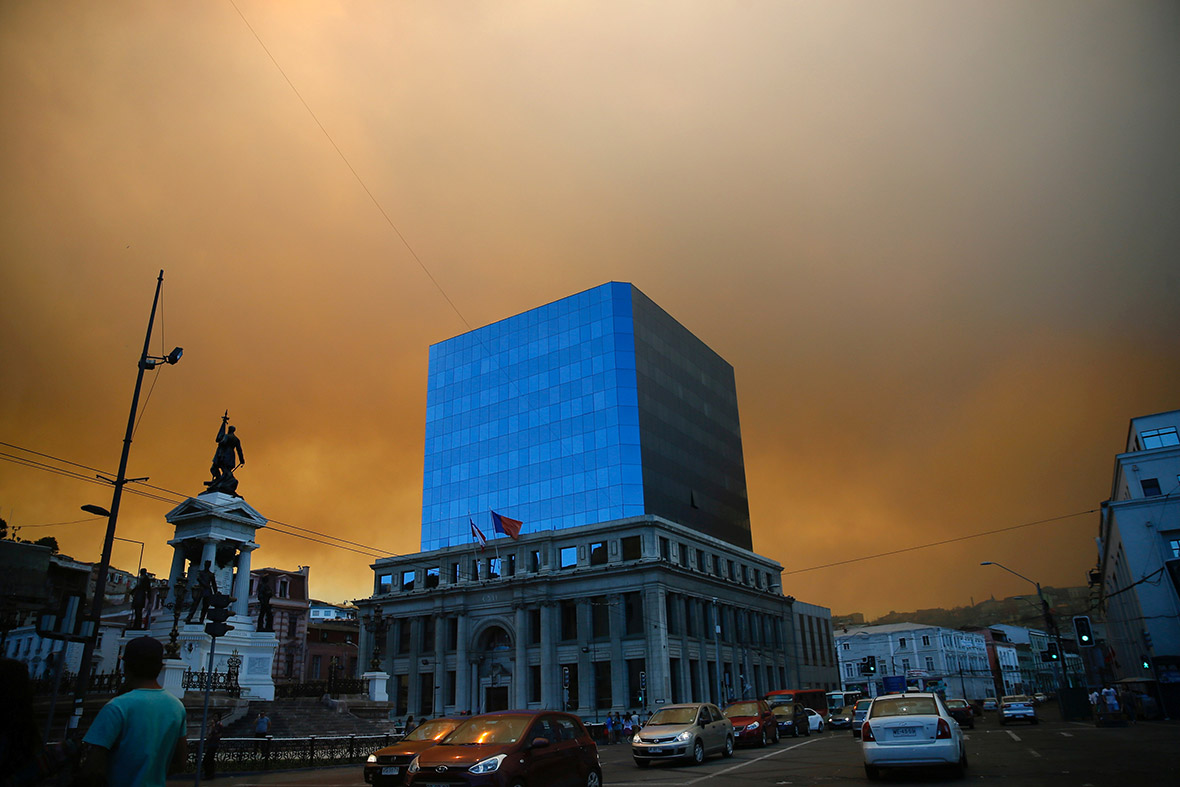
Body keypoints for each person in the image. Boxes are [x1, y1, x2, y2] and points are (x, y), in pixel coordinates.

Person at [77, 636, 187, 787]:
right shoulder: (177, 707)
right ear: (160, 666)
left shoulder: (117, 706)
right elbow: (180, 763)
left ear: (125, 666)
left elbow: (92, 766)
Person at [186, 560, 217, 624]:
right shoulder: (201, 573)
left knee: (205, 606)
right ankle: (189, 617)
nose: (207, 566)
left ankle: (201, 619)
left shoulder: (211, 574)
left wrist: (215, 592)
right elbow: (199, 579)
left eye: (208, 565)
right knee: (195, 604)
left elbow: (214, 584)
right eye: (206, 564)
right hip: (200, 589)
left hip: (207, 591)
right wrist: (205, 584)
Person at [202, 714, 223, 780]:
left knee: (208, 759)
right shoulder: (214, 725)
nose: (214, 718)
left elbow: (217, 733)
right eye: (214, 716)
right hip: (211, 743)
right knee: (208, 760)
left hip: (214, 744)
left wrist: (213, 727)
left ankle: (210, 774)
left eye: (216, 717)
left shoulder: (219, 725)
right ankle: (208, 774)